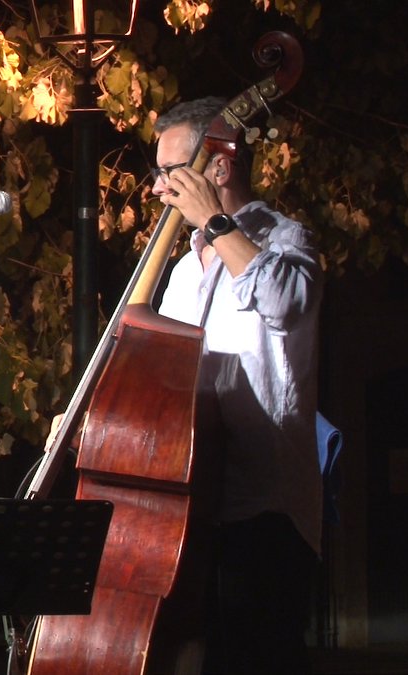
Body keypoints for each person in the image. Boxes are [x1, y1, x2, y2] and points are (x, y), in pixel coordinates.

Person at [152, 96, 324, 674]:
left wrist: (215, 223)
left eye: (170, 174)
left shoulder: (285, 240)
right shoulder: (181, 270)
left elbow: (282, 301)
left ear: (217, 170)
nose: (157, 191)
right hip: (191, 504)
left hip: (263, 510)